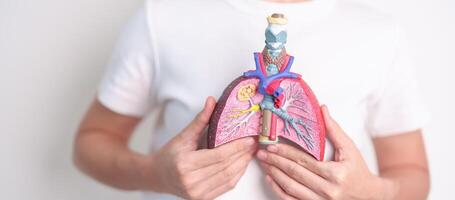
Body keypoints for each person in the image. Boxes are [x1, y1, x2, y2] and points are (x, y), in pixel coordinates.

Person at [73, 0, 430, 199]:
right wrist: (154, 174)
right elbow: (90, 144)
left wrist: (371, 195)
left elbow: (412, 174)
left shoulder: (378, 34)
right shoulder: (163, 15)